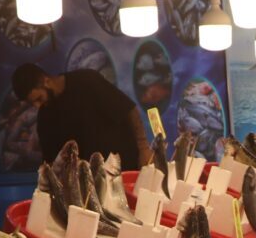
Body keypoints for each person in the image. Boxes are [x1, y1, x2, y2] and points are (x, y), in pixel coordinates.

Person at [12, 63, 152, 171]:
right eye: (32, 103)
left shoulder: (87, 81)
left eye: (39, 98)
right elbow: (50, 162)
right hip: (90, 187)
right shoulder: (45, 117)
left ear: (45, 81)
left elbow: (128, 109)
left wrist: (144, 147)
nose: (38, 106)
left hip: (125, 167)